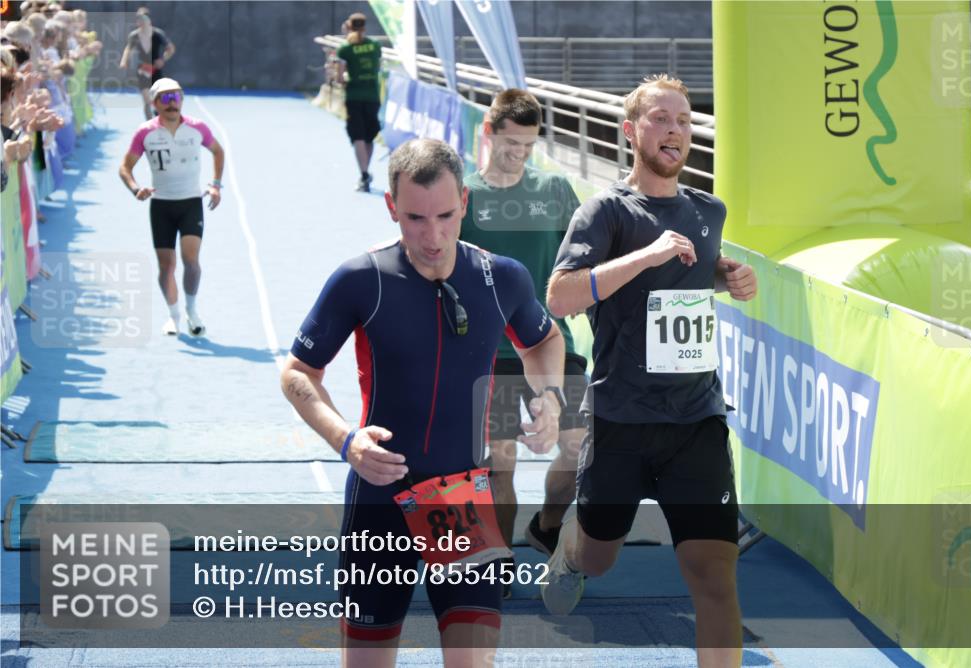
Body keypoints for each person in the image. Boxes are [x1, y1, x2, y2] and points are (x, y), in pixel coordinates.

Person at [280, 138, 566, 668]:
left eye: (445, 216)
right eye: (414, 218)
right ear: (391, 206)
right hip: (379, 500)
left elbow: (545, 340)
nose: (432, 236)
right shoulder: (361, 280)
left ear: (465, 201)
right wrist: (346, 440)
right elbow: (298, 373)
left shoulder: (501, 277)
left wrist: (549, 396)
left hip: (461, 501)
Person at [543, 74, 758, 668]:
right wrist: (649, 253)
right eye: (661, 119)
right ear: (631, 130)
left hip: (696, 418)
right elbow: (560, 298)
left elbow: (693, 273)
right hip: (622, 419)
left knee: (715, 577)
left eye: (685, 121)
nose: (675, 131)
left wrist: (729, 278)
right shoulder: (605, 212)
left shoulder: (708, 209)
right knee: (599, 558)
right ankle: (569, 549)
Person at [458, 89, 589, 595]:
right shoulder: (464, 196)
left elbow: (581, 263)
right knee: (500, 462)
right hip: (490, 353)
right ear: (488, 133)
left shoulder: (556, 191)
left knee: (579, 449)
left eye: (529, 145)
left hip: (552, 343)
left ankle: (547, 525)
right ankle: (501, 558)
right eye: (511, 143)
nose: (519, 154)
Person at [118, 78, 224, 337]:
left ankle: (192, 310)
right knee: (166, 266)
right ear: (154, 104)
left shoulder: (197, 128)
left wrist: (215, 185)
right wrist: (135, 188)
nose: (172, 103)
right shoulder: (145, 132)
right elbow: (124, 167)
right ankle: (173, 315)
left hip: (190, 203)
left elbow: (218, 152)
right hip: (161, 206)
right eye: (165, 98)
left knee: (191, 261)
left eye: (176, 96)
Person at [333, 12, 381, 192]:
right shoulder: (375, 45)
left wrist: (344, 78)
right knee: (369, 136)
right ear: (364, 26)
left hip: (354, 96)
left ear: (349, 26)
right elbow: (378, 66)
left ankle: (364, 174)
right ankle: (365, 172)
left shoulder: (345, 48)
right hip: (373, 96)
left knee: (358, 136)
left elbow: (339, 78)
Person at [118, 7, 174, 120]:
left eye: (143, 18)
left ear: (149, 20)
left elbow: (170, 48)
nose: (141, 21)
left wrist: (163, 59)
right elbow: (128, 48)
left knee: (159, 98)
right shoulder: (134, 35)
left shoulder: (158, 34)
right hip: (143, 69)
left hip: (156, 70)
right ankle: (149, 124)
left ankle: (159, 117)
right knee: (146, 99)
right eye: (138, 18)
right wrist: (124, 61)